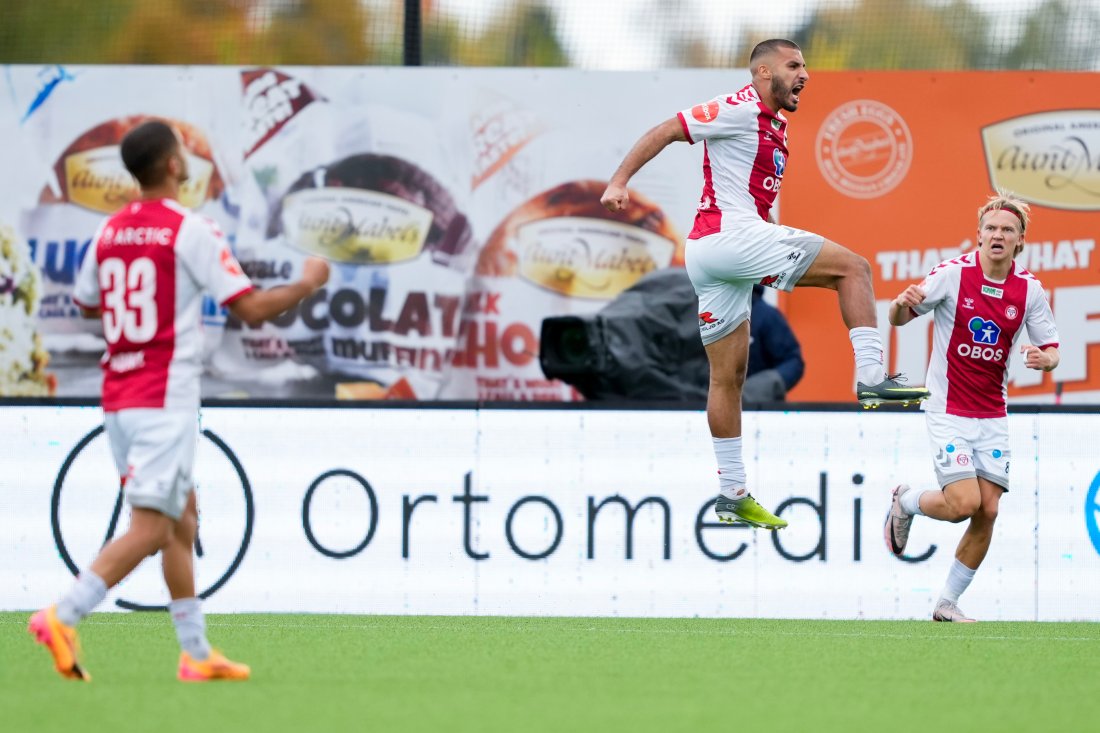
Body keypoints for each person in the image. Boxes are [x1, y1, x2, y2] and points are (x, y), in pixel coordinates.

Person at [28, 120, 331, 681]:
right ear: (173, 164)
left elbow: (88, 305)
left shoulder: (110, 233)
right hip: (163, 398)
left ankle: (195, 654)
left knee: (181, 520)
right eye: (183, 152)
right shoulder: (192, 230)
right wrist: (309, 281)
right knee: (149, 528)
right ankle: (62, 615)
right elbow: (251, 310)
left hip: (119, 398)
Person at [600, 38, 928, 530]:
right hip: (730, 238)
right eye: (793, 65)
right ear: (761, 72)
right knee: (854, 269)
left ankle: (732, 494)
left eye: (805, 67)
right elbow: (669, 128)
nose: (805, 74)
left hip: (714, 255)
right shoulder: (740, 106)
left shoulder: (776, 123)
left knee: (727, 378)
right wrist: (619, 180)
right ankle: (871, 376)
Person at [883, 190, 1059, 622]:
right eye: (991, 229)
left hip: (993, 413)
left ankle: (947, 603)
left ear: (1020, 242)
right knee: (963, 503)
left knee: (990, 510)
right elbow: (900, 317)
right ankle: (906, 501)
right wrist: (898, 306)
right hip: (948, 408)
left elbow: (1052, 348)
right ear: (978, 234)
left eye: (1007, 230)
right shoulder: (953, 274)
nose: (997, 236)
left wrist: (1044, 359)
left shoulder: (1029, 290)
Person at [744, 284, 804, 403]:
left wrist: (758, 388)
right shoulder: (704, 313)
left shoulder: (766, 315)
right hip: (702, 405)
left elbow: (792, 361)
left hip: (757, 409)